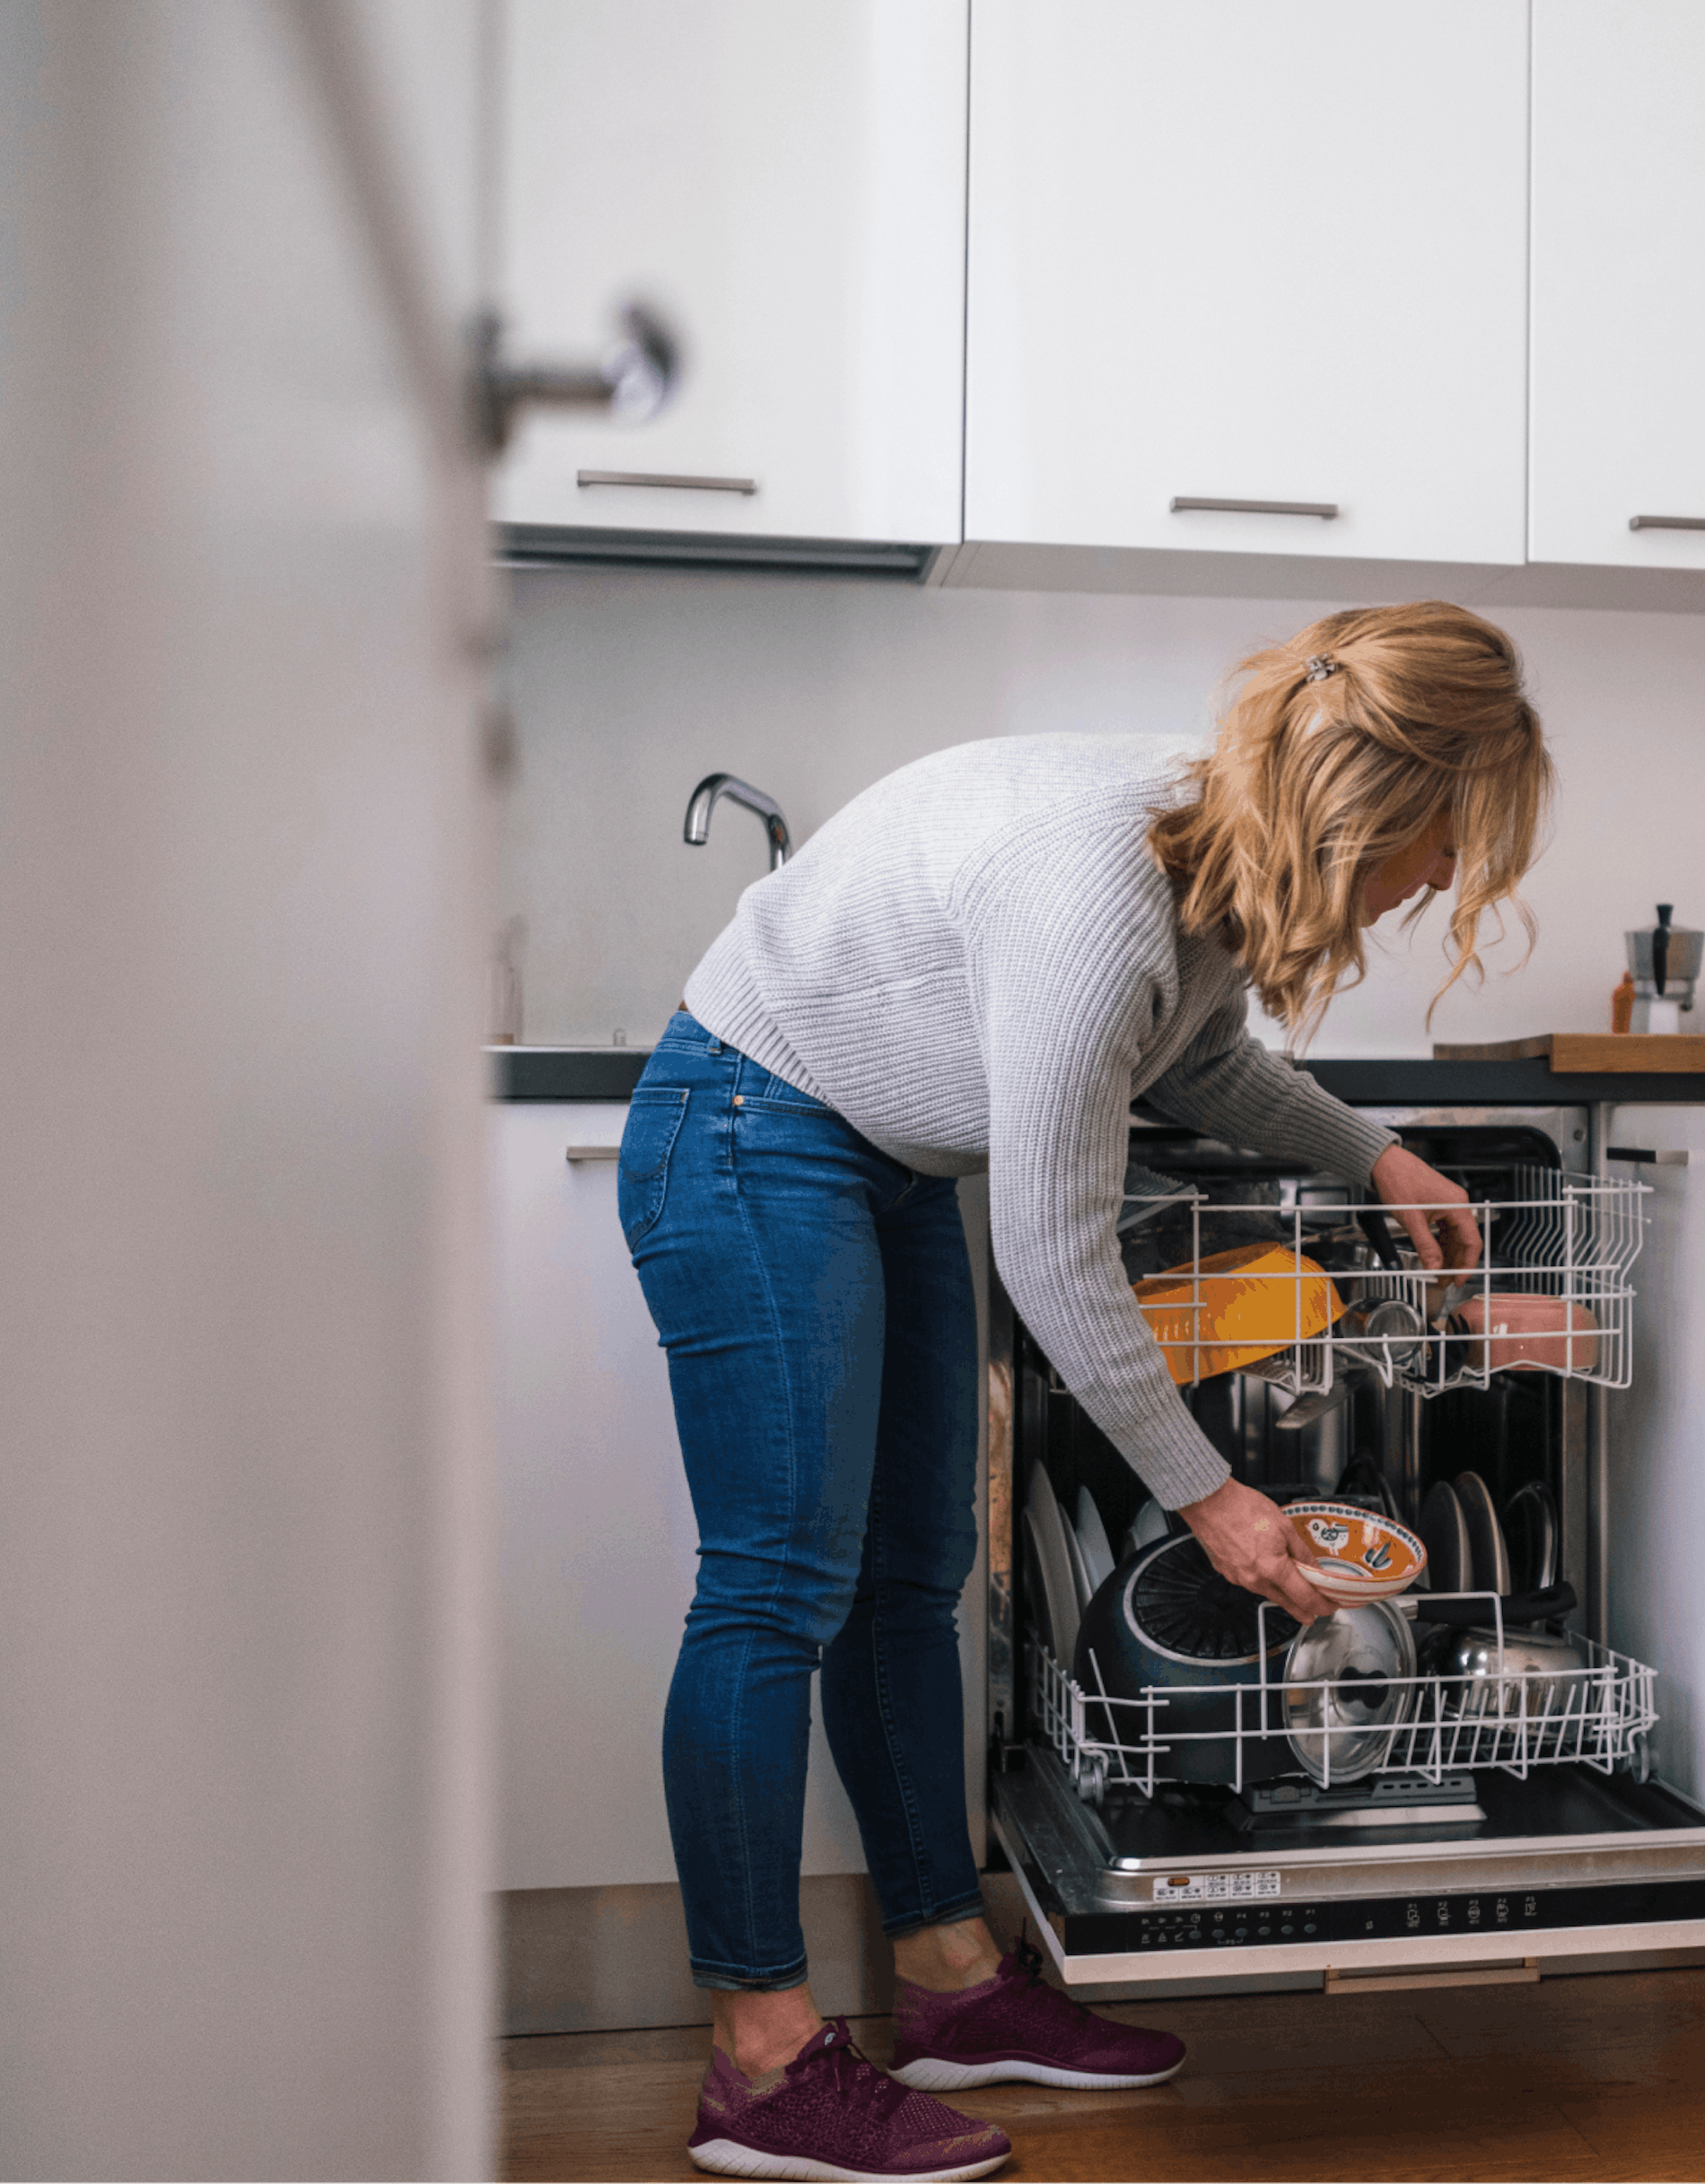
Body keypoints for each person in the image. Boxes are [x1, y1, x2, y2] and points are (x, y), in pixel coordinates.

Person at [617, 602, 1551, 2184]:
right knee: (778, 1587)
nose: (1446, 882)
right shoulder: (1099, 885)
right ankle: (761, 2059)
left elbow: (1191, 1058)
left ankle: (948, 1985)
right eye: (1450, 841)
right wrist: (1213, 1493)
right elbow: (1059, 1255)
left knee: (918, 1580)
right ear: (1372, 803)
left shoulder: (1208, 845)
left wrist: (1373, 1148)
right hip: (747, 1124)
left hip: (878, 1156)